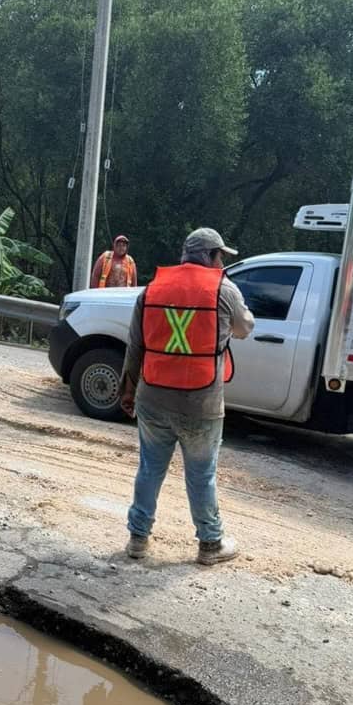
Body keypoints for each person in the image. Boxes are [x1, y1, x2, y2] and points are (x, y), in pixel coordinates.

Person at [120, 227, 254, 565]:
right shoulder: (225, 289)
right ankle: (210, 545)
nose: (221, 262)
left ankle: (137, 540)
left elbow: (136, 346)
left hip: (152, 397)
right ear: (210, 256)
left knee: (150, 468)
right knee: (201, 474)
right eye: (220, 255)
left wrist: (128, 390)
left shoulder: (152, 289)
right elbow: (244, 328)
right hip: (202, 403)